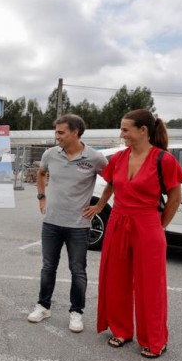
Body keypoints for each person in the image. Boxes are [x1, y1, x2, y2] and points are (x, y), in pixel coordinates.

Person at [87, 109, 182, 358]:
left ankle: (155, 339)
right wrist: (100, 206)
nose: (121, 135)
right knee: (116, 279)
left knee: (150, 285)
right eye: (121, 129)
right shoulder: (119, 158)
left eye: (125, 130)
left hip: (147, 223)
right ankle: (121, 330)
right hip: (118, 221)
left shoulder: (163, 160)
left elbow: (175, 198)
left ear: (143, 130)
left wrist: (158, 225)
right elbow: (110, 184)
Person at [27, 114, 107, 333]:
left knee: (77, 270)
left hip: (79, 225)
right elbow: (41, 173)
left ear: (75, 133)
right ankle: (43, 306)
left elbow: (113, 180)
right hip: (51, 222)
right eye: (56, 132)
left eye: (61, 132)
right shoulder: (50, 154)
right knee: (48, 267)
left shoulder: (95, 157)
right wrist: (41, 196)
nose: (57, 136)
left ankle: (76, 312)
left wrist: (99, 206)